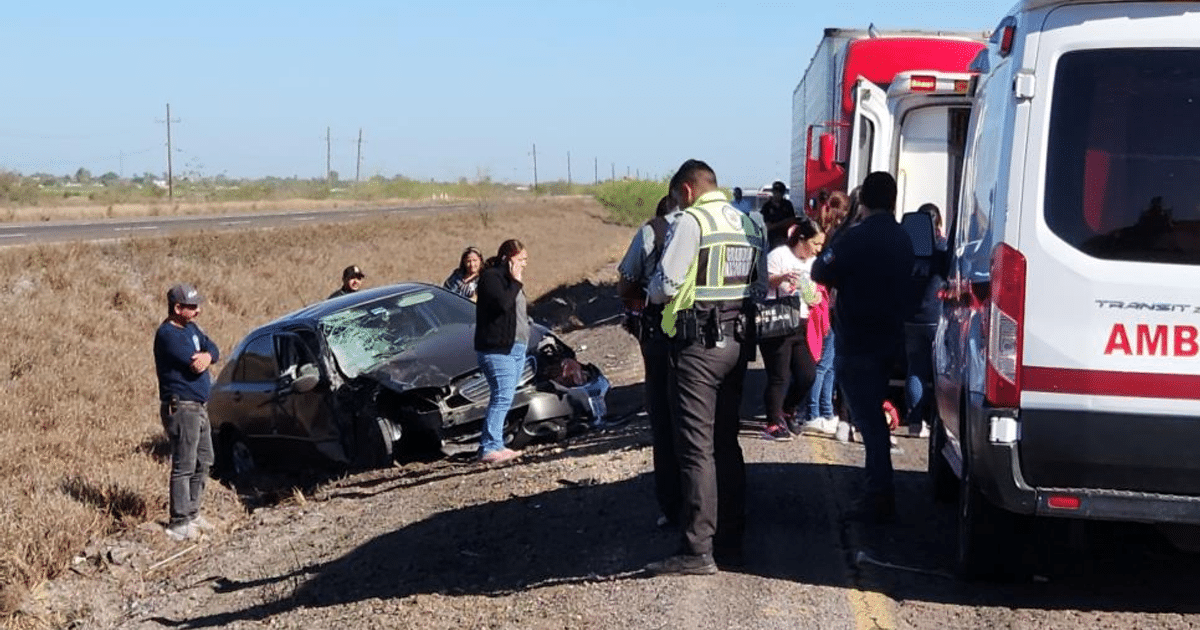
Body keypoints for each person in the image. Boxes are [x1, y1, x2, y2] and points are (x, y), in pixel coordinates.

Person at [644, 159, 767, 576]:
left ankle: (697, 549)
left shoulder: (693, 222)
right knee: (725, 442)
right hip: (738, 342)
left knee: (695, 449)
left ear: (688, 190)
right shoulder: (750, 223)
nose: (677, 203)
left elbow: (666, 285)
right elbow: (761, 286)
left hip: (697, 345)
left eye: (678, 196)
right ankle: (731, 539)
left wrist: (653, 291)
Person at [811, 172, 914, 524]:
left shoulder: (857, 236)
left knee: (869, 422)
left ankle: (879, 496)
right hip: (889, 338)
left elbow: (819, 271)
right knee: (873, 417)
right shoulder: (902, 237)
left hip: (857, 341)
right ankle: (878, 491)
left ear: (863, 202)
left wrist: (843, 230)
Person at [617, 193, 683, 528]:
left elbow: (626, 280)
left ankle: (672, 505)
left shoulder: (651, 232)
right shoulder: (713, 226)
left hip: (659, 334)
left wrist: (637, 296)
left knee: (663, 416)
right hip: (710, 338)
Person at [154, 283, 221, 541]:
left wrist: (209, 356)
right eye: (192, 306)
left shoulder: (192, 328)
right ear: (177, 308)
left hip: (199, 405)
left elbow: (212, 349)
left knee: (204, 458)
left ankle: (193, 512)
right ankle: (179, 520)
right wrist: (204, 359)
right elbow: (194, 365)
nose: (198, 310)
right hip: (181, 406)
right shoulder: (167, 334)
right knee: (184, 463)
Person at [760, 218, 825, 441]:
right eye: (816, 244)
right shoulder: (779, 255)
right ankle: (772, 423)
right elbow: (762, 282)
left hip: (800, 322)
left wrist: (815, 297)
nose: (818, 249)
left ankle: (787, 410)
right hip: (777, 321)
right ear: (802, 239)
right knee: (779, 375)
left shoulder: (812, 262)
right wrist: (781, 278)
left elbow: (811, 291)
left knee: (807, 374)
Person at [473, 239, 530, 465]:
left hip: (516, 346)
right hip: (496, 349)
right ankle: (488, 446)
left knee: (506, 396)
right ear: (507, 259)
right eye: (520, 260)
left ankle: (496, 443)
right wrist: (516, 282)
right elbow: (502, 304)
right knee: (502, 395)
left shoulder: (509, 280)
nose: (523, 265)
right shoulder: (491, 278)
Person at [804, 191, 851, 436]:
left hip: (828, 304)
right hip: (828, 305)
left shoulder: (829, 234)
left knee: (828, 363)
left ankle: (824, 411)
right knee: (824, 364)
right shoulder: (836, 236)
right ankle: (815, 412)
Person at [903, 203, 948, 438]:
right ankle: (940, 422)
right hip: (935, 317)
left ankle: (914, 422)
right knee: (941, 372)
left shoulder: (906, 248)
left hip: (910, 318)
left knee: (915, 370)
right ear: (938, 223)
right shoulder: (941, 248)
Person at [760, 180, 797, 249]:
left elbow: (793, 220)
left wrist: (780, 223)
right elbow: (769, 226)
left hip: (787, 239)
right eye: (775, 191)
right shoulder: (767, 206)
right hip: (773, 240)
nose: (777, 194)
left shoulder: (787, 204)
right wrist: (785, 222)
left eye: (780, 192)